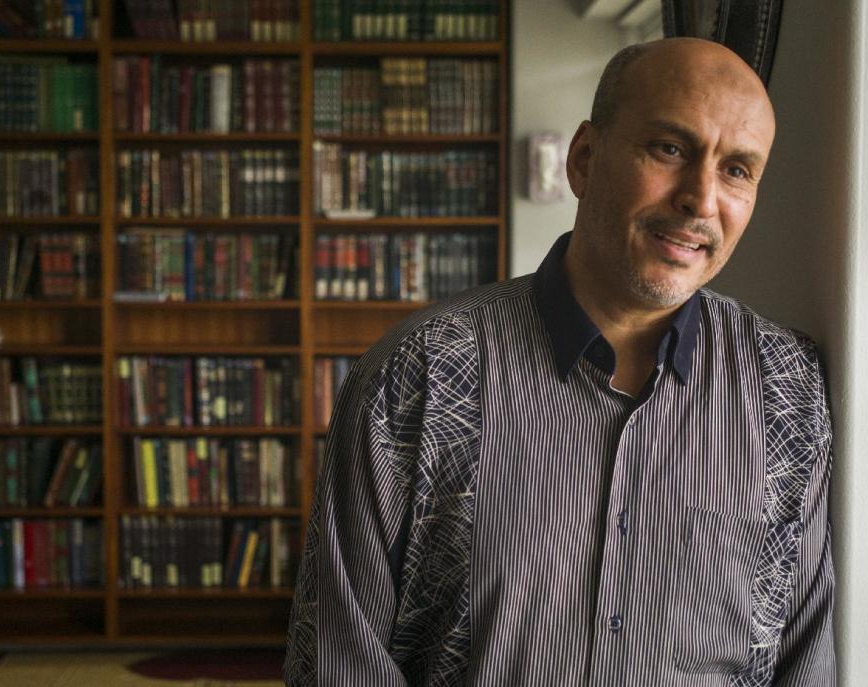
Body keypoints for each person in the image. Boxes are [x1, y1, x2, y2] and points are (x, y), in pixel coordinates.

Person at [285, 37, 835, 685]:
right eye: (670, 149)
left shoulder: (789, 390)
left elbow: (805, 659)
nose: (700, 198)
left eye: (737, 169)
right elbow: (340, 664)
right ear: (583, 158)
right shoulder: (421, 375)